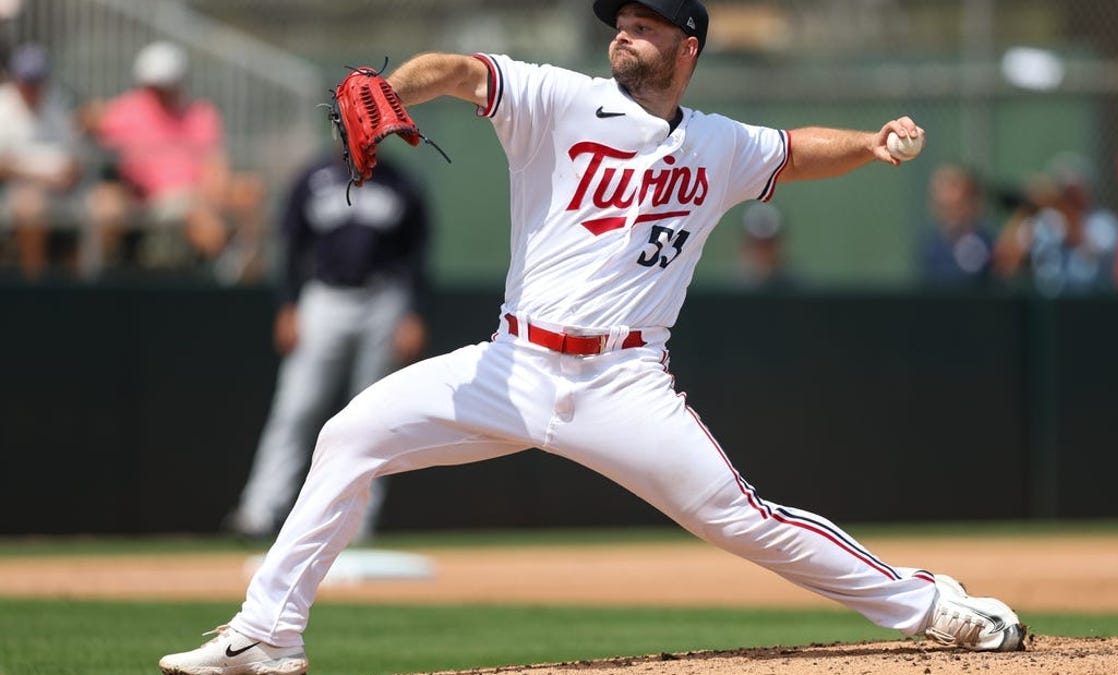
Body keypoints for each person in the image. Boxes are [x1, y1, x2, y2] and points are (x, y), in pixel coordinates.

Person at [159, 2, 1025, 673]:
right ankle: (268, 633)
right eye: (621, 22)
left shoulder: (719, 144)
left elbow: (796, 150)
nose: (625, 33)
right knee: (348, 435)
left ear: (688, 48)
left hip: (624, 384)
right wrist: (397, 89)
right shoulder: (558, 98)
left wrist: (871, 146)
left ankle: (930, 605)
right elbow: (461, 70)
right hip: (511, 362)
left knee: (744, 520)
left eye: (646, 25)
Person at [223, 148, 432, 542]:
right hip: (324, 298)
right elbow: (291, 247)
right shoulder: (313, 177)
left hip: (383, 299)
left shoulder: (401, 181)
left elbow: (417, 254)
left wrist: (414, 312)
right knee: (296, 407)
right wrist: (287, 304)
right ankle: (261, 508)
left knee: (377, 416)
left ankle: (358, 521)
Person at [84, 40, 264, 281]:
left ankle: (246, 259)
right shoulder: (128, 111)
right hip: (155, 200)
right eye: (156, 85)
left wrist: (211, 192)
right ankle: (228, 270)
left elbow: (215, 164)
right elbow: (88, 121)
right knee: (192, 210)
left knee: (248, 189)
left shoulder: (201, 114)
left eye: (167, 84)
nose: (162, 91)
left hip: (198, 195)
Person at [0, 43, 84, 279]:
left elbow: (75, 162)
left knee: (107, 207)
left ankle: (83, 289)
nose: (32, 85)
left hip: (62, 193)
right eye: (27, 78)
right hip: (12, 193)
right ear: (15, 78)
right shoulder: (2, 107)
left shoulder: (57, 107)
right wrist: (40, 176)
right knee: (31, 208)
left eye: (37, 78)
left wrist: (67, 175)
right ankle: (36, 287)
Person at [993, 153, 1118, 296]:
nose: (1068, 196)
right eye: (1063, 190)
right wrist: (1027, 209)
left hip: (1090, 299)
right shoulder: (1045, 220)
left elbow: (1080, 240)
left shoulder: (1102, 222)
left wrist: (1059, 207)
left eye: (1074, 189)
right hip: (1045, 301)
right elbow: (1006, 257)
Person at [915, 162, 993, 290]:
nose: (945, 197)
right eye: (939, 189)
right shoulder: (932, 248)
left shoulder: (989, 243)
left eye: (952, 186)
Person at [735, 202, 798, 290]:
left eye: (767, 245)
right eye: (756, 244)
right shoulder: (732, 292)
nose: (762, 252)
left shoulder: (796, 292)